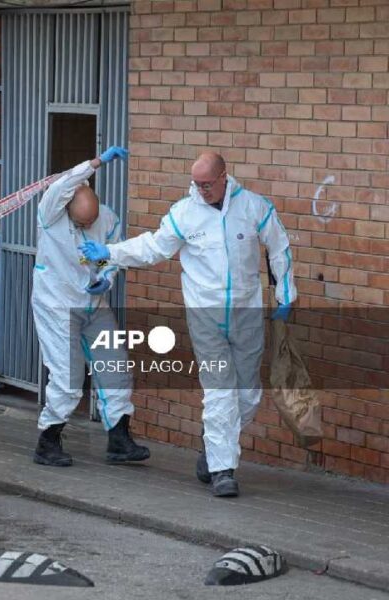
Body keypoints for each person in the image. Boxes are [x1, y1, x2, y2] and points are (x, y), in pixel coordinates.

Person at [80, 152, 296, 497]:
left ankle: (213, 446)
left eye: (208, 183)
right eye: (197, 183)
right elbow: (153, 247)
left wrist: (285, 295)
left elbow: (279, 247)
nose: (202, 189)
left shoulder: (254, 207)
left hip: (246, 313)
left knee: (249, 395)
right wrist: (109, 252)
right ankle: (223, 471)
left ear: (225, 176)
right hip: (205, 315)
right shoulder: (184, 213)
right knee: (220, 391)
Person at [31, 146, 150, 467]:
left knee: (116, 366)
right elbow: (64, 182)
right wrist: (96, 163)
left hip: (93, 302)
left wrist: (107, 280)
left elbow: (114, 257)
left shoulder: (107, 218)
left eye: (91, 221)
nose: (88, 226)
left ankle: (119, 439)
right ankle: (49, 440)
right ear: (69, 208)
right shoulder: (51, 211)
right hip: (56, 303)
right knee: (68, 376)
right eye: (82, 222)